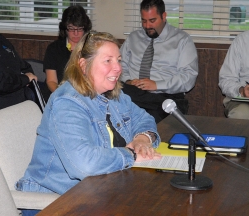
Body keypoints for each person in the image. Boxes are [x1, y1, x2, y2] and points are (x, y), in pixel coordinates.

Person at [16, 31, 161, 215]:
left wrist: (142, 138)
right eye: (108, 61)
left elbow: (144, 118)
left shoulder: (114, 94)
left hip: (101, 193)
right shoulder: (67, 103)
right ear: (84, 65)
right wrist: (130, 155)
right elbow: (84, 164)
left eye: (118, 60)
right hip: (55, 202)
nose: (117, 68)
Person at [120, 0, 198, 123]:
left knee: (149, 115)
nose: (147, 26)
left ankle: (166, 105)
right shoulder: (133, 38)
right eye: (144, 21)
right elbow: (118, 66)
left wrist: (157, 85)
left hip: (165, 94)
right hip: (133, 93)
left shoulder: (182, 40)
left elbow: (188, 79)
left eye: (152, 20)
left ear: (164, 16)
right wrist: (128, 80)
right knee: (120, 91)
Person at [42, 5, 92, 101]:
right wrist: (65, 98)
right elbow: (51, 81)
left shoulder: (91, 49)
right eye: (71, 28)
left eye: (80, 28)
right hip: (58, 95)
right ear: (65, 29)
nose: (76, 33)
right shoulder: (54, 49)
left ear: (85, 28)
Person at [219, 31, 249, 119]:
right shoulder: (242, 40)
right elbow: (226, 79)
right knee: (241, 114)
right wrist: (242, 90)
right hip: (244, 99)